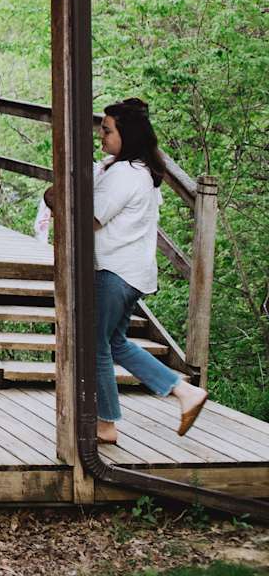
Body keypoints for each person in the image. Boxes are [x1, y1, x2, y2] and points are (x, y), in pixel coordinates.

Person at [91, 98, 207, 444]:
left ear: (127, 134)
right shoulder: (142, 171)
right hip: (131, 273)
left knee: (95, 345)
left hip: (113, 271)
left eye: (108, 131)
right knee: (115, 342)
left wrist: (59, 199)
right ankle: (184, 393)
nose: (102, 137)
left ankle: (106, 424)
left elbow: (92, 218)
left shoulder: (125, 174)